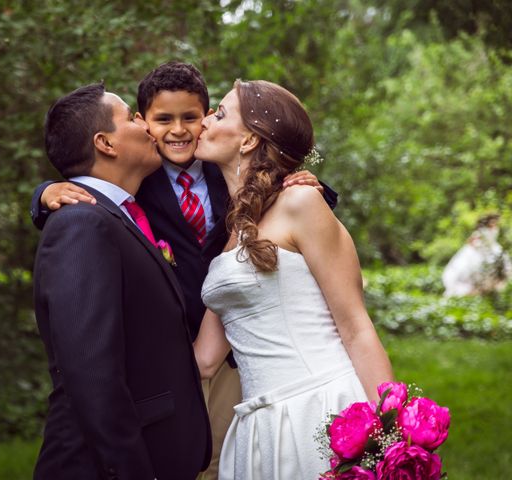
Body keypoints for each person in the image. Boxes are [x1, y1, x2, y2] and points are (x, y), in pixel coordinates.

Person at [30, 62, 339, 480]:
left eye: (193, 117)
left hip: (231, 346)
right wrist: (45, 193)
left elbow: (273, 189)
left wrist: (306, 186)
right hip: (172, 364)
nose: (176, 130)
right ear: (128, 131)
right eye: (154, 120)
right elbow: (91, 365)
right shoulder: (125, 195)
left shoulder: (220, 167)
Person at [192, 80, 393, 480]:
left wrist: (393, 434)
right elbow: (205, 358)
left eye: (219, 113)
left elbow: (355, 328)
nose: (204, 121)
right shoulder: (231, 231)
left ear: (248, 140)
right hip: (257, 427)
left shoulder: (301, 202)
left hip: (318, 408)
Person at [33, 83, 210, 480]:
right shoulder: (80, 224)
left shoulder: (120, 215)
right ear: (105, 144)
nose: (146, 126)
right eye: (131, 116)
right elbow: (92, 373)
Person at [442, 213, 511, 296]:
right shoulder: (481, 231)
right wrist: (479, 246)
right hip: (481, 251)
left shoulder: (495, 229)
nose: (494, 224)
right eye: (492, 222)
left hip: (494, 249)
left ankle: (493, 289)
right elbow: (471, 241)